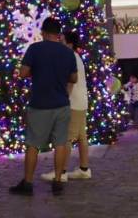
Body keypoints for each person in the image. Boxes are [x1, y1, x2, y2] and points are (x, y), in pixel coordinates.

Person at [9, 17, 77, 196]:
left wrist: (37, 71)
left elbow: (23, 73)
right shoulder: (67, 52)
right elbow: (74, 78)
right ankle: (57, 182)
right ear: (58, 34)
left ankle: (28, 183)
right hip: (62, 103)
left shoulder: (35, 49)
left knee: (33, 144)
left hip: (40, 104)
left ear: (44, 33)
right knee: (60, 143)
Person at [42, 30, 91, 181]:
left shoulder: (70, 58)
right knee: (82, 136)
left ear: (69, 44)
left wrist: (61, 99)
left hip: (73, 102)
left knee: (66, 139)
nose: (59, 42)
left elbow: (70, 81)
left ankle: (61, 172)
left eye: (62, 40)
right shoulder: (76, 57)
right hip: (81, 101)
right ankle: (84, 168)